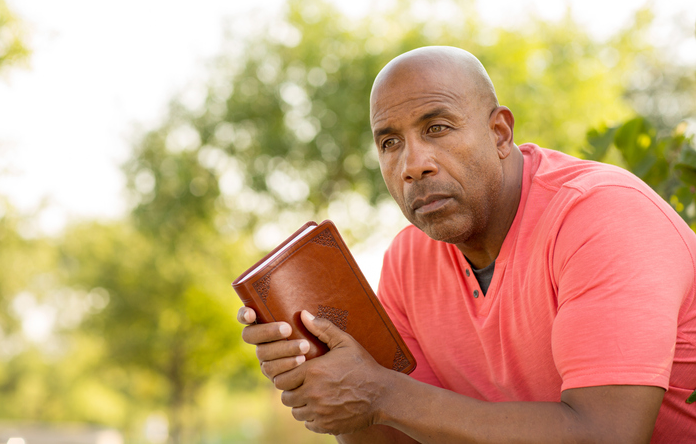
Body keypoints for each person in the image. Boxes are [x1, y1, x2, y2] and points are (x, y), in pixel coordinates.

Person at [237, 46, 696, 443]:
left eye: (436, 128)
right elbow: (399, 435)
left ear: (499, 134)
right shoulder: (407, 259)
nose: (413, 165)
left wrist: (381, 392)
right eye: (390, 142)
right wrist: (328, 377)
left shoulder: (601, 215)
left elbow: (608, 435)